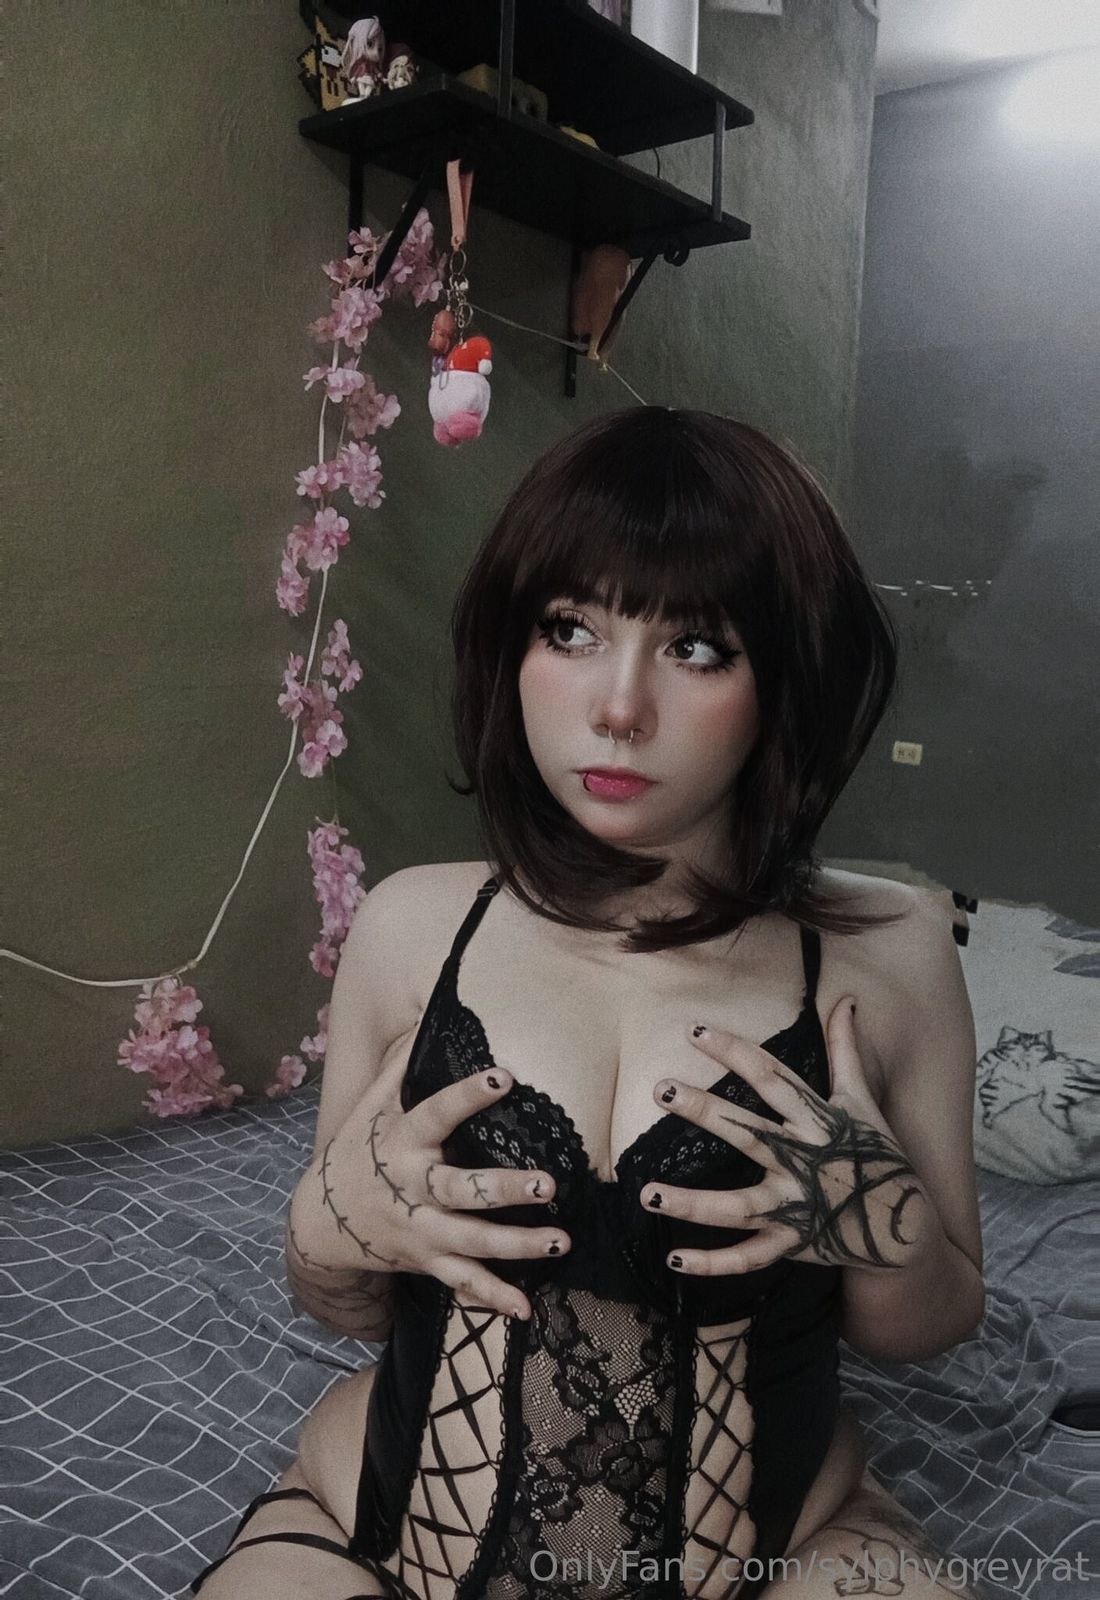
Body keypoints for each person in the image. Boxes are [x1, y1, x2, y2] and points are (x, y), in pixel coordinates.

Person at [186, 409, 985, 1600]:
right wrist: (325, 1227)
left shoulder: (889, 951)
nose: (617, 706)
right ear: (511, 645)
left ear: (785, 675)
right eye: (569, 629)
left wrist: (883, 1228)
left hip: (788, 1547)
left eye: (696, 647)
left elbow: (927, 1322)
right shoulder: (410, 927)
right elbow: (347, 1304)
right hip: (379, 1527)